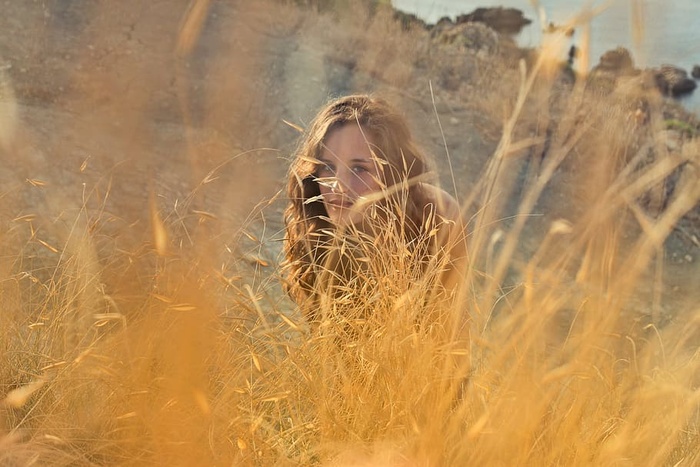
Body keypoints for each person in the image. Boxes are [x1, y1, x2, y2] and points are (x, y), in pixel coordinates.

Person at [282, 94, 467, 322]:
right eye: (328, 167)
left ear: (392, 173)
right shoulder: (311, 223)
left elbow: (451, 341)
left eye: (359, 169)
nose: (339, 187)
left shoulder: (438, 216)